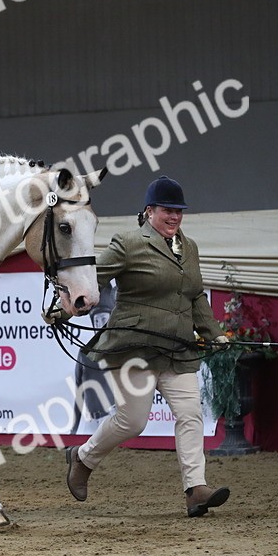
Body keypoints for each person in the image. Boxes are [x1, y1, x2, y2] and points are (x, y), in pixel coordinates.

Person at [63, 175, 231, 518]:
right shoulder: (128, 243)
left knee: (190, 414)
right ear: (149, 211)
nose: (175, 217)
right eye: (168, 210)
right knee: (132, 420)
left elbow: (195, 295)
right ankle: (83, 458)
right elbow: (93, 278)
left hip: (178, 348)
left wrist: (213, 332)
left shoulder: (190, 248)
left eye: (179, 211)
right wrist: (60, 305)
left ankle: (195, 489)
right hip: (135, 347)